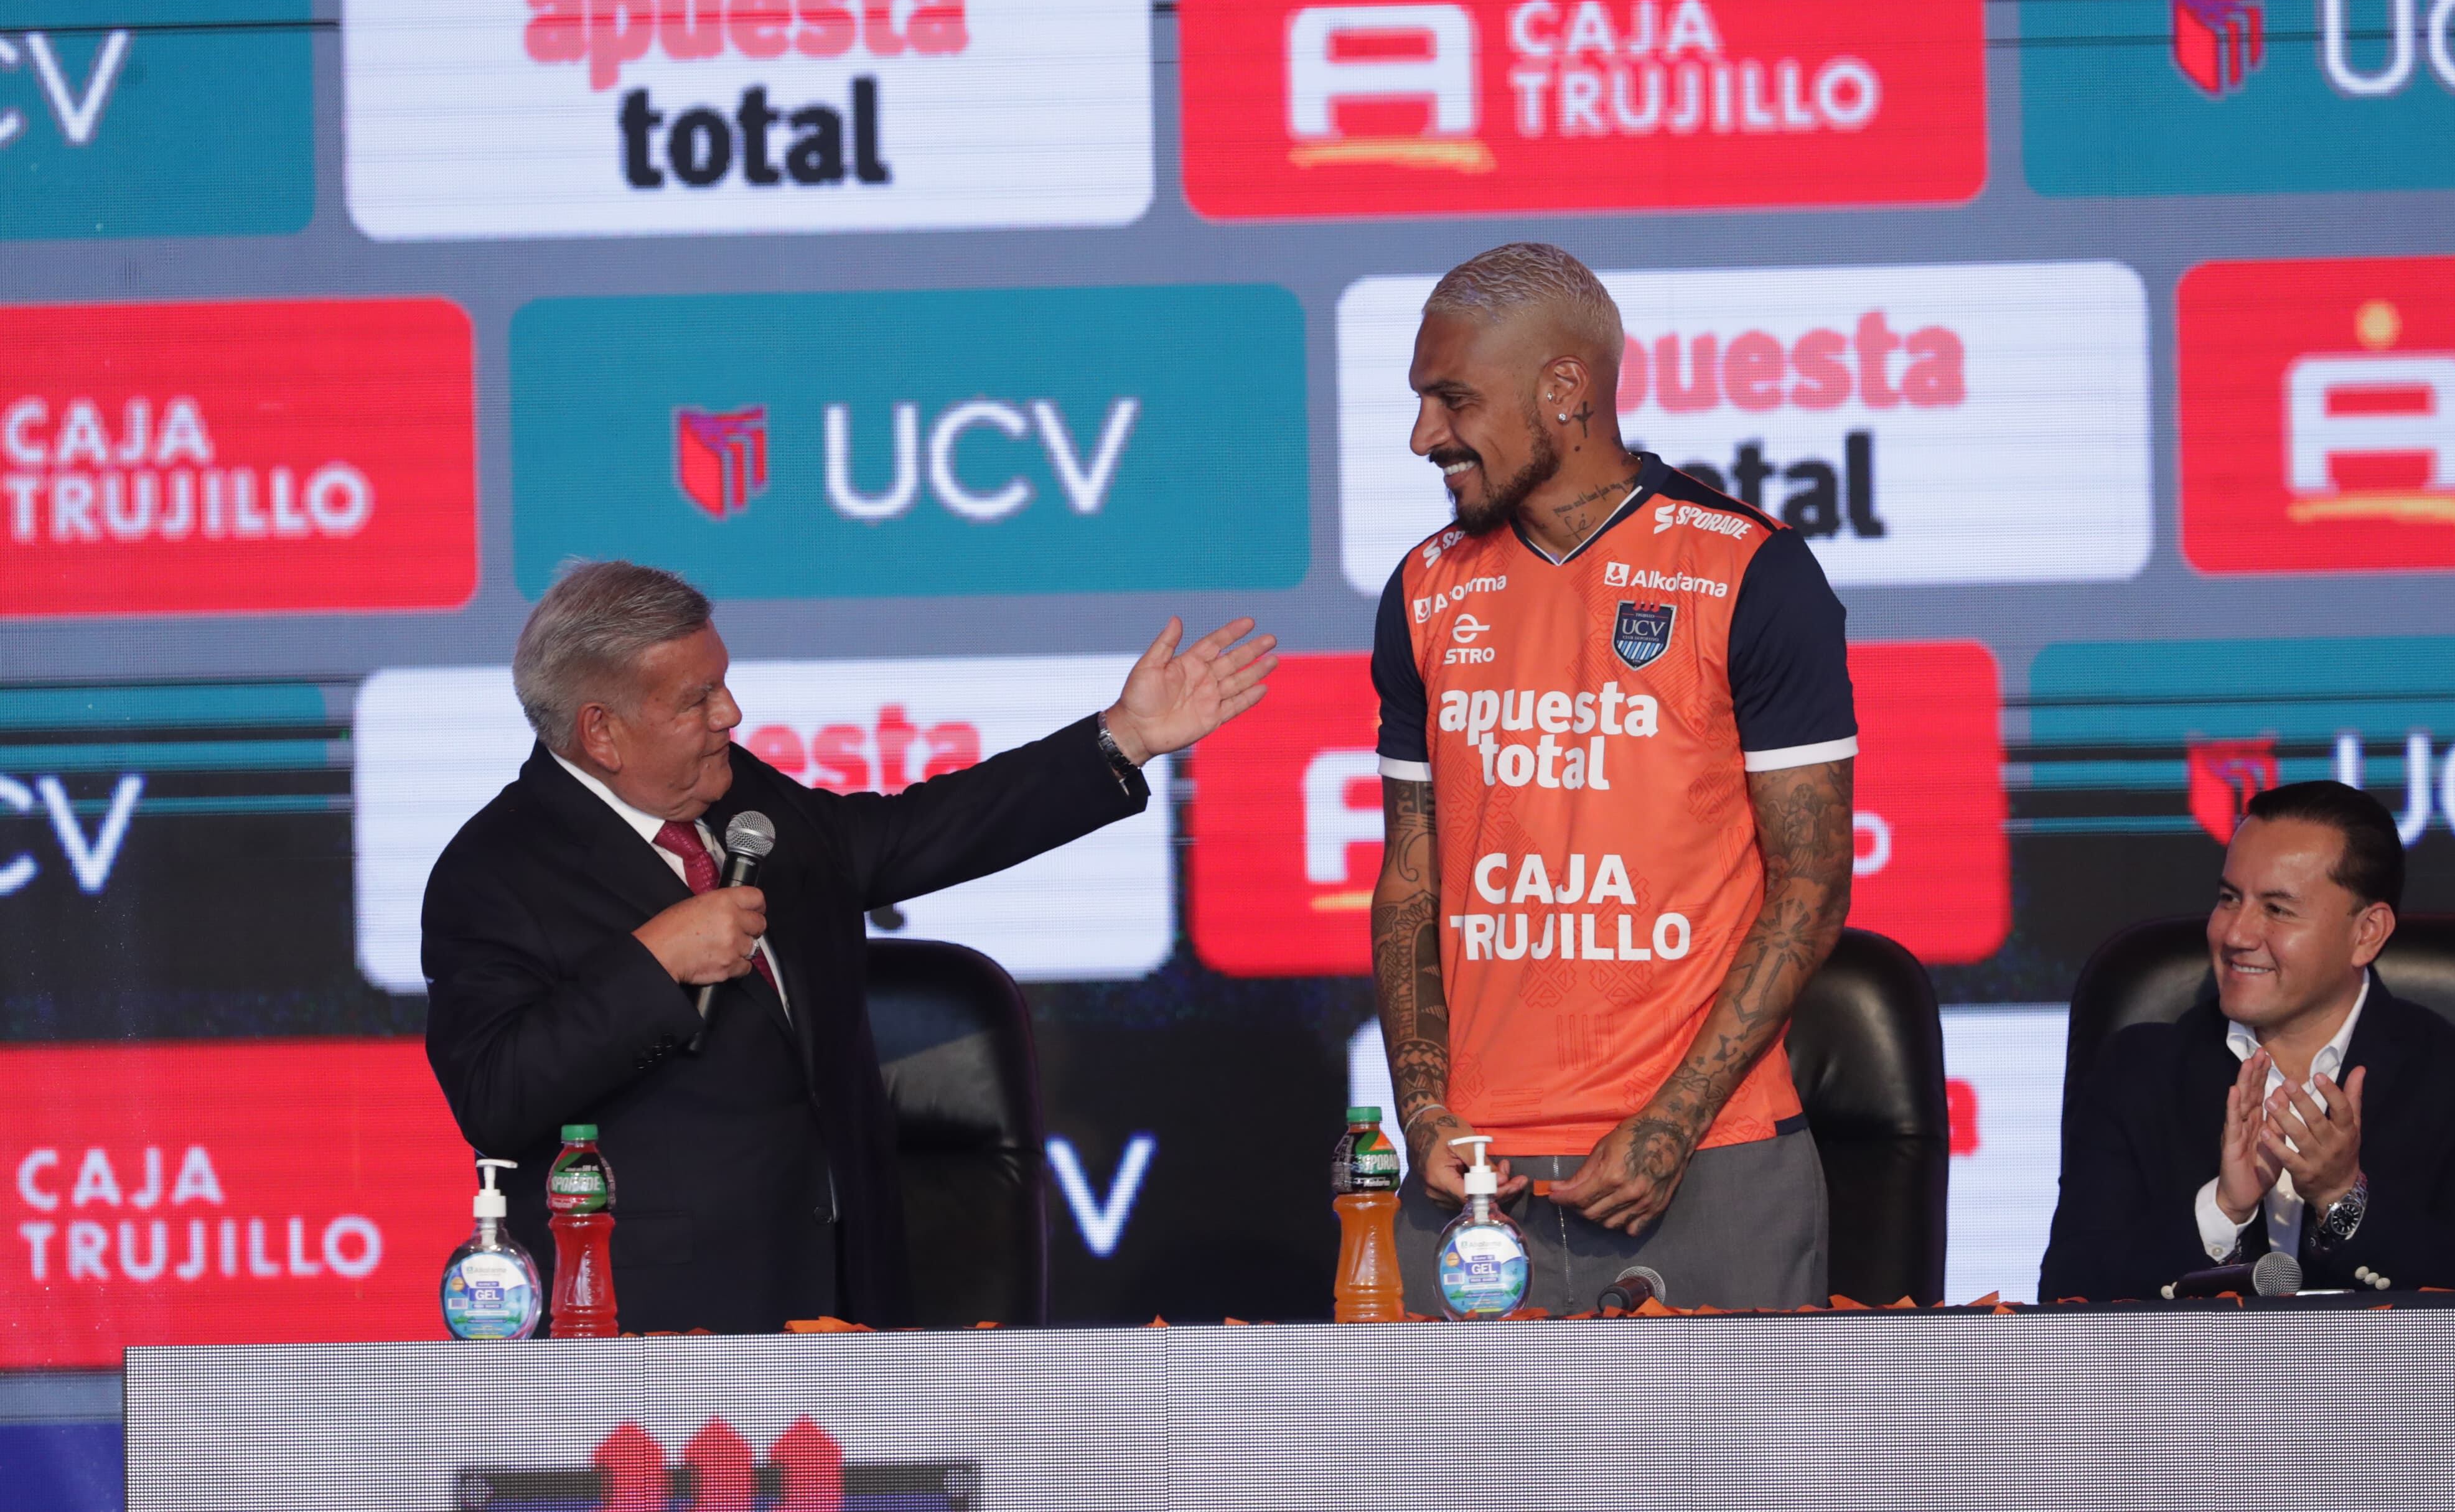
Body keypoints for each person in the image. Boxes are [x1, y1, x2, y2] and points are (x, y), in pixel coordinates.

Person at [421, 561, 1274, 1333]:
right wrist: (653, 965)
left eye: (722, 685)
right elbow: (496, 1096)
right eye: (696, 699)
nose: (731, 713)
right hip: (659, 1332)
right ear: (601, 732)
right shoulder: (495, 872)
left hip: (848, 1309)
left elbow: (909, 835)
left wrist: (1119, 737)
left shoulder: (742, 797)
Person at [1367, 243, 1858, 1314]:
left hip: (1707, 1164)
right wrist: (1423, 1106)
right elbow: (1412, 879)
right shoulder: (1422, 591)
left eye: (1453, 400)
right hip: (1471, 1181)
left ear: (1565, 389)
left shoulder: (1748, 571)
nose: (1424, 436)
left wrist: (1673, 1121)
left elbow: (1813, 883)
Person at [2039, 779, 2455, 1300]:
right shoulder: (2137, 1072)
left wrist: (2344, 1198)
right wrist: (2222, 1209)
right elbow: (2069, 1293)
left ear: (2367, 932)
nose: (2235, 933)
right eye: (2229, 898)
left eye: (2277, 909)